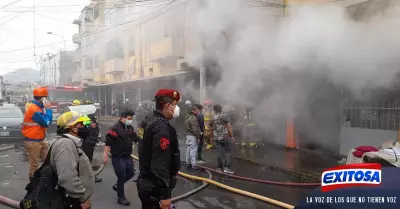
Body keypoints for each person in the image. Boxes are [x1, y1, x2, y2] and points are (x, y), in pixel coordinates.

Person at [137, 89, 181, 209]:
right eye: (175, 105)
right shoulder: (161, 128)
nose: (176, 109)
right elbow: (160, 164)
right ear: (167, 106)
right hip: (154, 188)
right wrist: (165, 195)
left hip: (146, 183)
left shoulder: (149, 119)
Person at [52, 111, 94, 209]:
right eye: (81, 124)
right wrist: (82, 199)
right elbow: (67, 177)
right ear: (73, 128)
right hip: (72, 201)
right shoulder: (65, 145)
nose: (85, 126)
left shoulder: (69, 143)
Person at [103, 109, 138, 206]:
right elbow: (108, 142)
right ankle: (121, 198)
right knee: (121, 175)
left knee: (131, 173)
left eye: (131, 119)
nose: (130, 120)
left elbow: (135, 138)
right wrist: (105, 155)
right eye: (128, 118)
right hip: (117, 156)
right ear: (123, 117)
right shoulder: (115, 128)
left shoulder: (130, 128)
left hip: (127, 156)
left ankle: (118, 185)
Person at [21, 87, 53, 182]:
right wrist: (49, 110)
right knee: (34, 164)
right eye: (46, 98)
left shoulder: (38, 107)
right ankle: (33, 185)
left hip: (41, 139)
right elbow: (46, 123)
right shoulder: (34, 109)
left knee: (48, 161)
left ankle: (45, 180)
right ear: (42, 98)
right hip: (33, 141)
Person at [210, 104, 235, 174]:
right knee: (227, 152)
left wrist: (211, 138)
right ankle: (227, 168)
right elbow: (229, 127)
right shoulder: (224, 116)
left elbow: (211, 129)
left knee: (219, 153)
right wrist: (231, 136)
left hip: (216, 138)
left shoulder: (212, 118)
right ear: (221, 109)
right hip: (225, 137)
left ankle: (219, 168)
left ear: (214, 110)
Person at [79, 114, 103, 183]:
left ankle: (91, 176)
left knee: (90, 161)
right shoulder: (85, 120)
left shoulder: (93, 120)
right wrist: (90, 127)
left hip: (92, 143)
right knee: (87, 161)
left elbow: (96, 130)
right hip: (87, 143)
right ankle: (88, 177)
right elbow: (83, 130)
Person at [185, 105, 201, 170]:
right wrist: (198, 137)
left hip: (188, 135)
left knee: (189, 149)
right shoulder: (193, 118)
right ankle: (194, 165)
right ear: (193, 111)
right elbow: (195, 129)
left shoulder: (187, 117)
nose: (198, 112)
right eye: (197, 110)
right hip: (192, 135)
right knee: (193, 150)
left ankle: (188, 162)